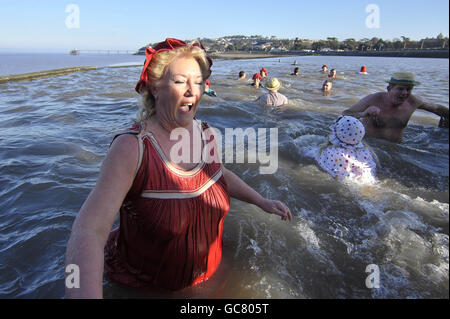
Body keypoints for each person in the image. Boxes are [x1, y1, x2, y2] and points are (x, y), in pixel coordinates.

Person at [65, 38, 292, 298]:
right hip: (149, 288)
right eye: (180, 81)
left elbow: (218, 174)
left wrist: (261, 201)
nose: (191, 91)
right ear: (154, 87)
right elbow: (88, 231)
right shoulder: (132, 148)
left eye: (197, 82)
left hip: (213, 274)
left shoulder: (206, 132)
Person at [342, 72, 449, 142]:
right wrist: (363, 114)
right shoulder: (373, 99)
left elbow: (437, 108)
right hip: (370, 146)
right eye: (400, 89)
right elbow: (346, 114)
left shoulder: (413, 101)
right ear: (389, 89)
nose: (405, 93)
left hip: (397, 148)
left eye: (408, 89)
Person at [316, 115, 378, 183]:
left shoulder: (330, 151)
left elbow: (320, 162)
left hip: (345, 182)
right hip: (368, 181)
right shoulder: (365, 151)